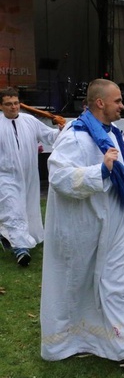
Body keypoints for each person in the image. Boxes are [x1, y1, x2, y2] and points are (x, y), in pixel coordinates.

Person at [40, 79, 124, 368]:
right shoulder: (74, 135)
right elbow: (58, 177)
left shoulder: (116, 134)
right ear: (100, 103)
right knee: (76, 283)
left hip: (113, 221)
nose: (122, 105)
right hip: (81, 225)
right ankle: (75, 340)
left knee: (117, 280)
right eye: (118, 101)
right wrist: (100, 171)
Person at [0, 87, 62, 266]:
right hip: (5, 175)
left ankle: (15, 236)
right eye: (8, 104)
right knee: (12, 208)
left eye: (16, 103)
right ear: (1, 106)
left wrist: (60, 130)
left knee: (27, 207)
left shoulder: (30, 121)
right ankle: (21, 248)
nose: (13, 107)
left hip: (29, 175)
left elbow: (49, 137)